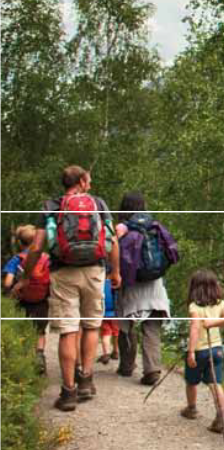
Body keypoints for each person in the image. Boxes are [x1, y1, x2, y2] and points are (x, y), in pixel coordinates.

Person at [22, 165, 120, 412]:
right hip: (95, 270)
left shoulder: (51, 206)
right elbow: (113, 240)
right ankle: (86, 380)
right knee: (91, 325)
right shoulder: (98, 203)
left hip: (62, 271)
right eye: (89, 179)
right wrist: (115, 271)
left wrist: (27, 275)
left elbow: (36, 247)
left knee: (67, 330)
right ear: (82, 181)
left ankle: (68, 393)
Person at [116, 192, 178, 385]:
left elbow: (114, 252)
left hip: (131, 285)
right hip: (155, 286)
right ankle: (152, 369)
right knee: (152, 328)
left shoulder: (121, 228)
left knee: (126, 326)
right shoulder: (155, 226)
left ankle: (126, 366)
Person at [181, 268, 224, 433]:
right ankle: (221, 415)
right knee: (215, 383)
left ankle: (192, 409)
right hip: (216, 349)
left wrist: (190, 352)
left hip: (200, 351)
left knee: (191, 381)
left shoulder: (194, 306)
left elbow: (195, 328)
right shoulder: (221, 304)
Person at [4, 225, 51, 375]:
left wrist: (11, 290)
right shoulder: (46, 258)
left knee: (24, 328)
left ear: (19, 242)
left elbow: (7, 282)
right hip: (42, 301)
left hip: (22, 300)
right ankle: (39, 355)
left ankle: (26, 359)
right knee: (40, 331)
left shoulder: (17, 259)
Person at [99, 261, 119, 364]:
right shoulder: (115, 283)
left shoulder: (99, 284)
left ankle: (106, 353)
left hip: (103, 314)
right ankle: (115, 351)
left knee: (106, 334)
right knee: (116, 333)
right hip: (115, 313)